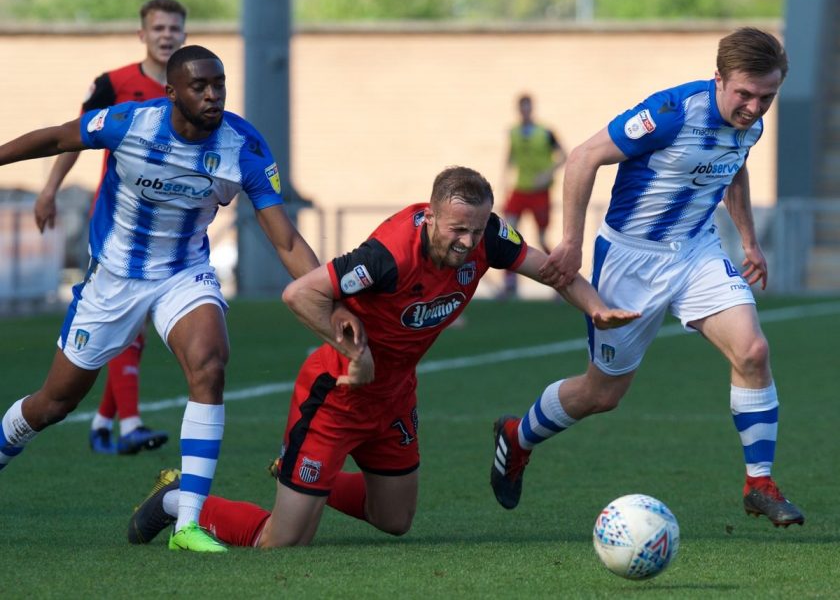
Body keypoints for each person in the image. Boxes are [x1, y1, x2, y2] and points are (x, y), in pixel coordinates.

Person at [124, 165, 640, 549]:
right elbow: (300, 294)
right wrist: (356, 351)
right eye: (456, 229)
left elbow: (549, 268)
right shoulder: (387, 255)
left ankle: (300, 476)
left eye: (476, 230)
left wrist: (596, 308)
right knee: (282, 545)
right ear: (431, 213)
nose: (467, 242)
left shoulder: (488, 239)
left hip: (393, 396)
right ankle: (177, 499)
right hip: (337, 394)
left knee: (393, 519)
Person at [0, 45, 320, 552]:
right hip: (113, 281)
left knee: (210, 364)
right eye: (200, 86)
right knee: (54, 403)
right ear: (172, 93)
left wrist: (327, 297)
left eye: (219, 85)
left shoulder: (244, 146)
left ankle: (187, 523)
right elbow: (59, 136)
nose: (213, 95)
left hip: (183, 273)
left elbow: (284, 240)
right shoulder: (131, 123)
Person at [489, 27, 805, 527]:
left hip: (697, 251)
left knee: (753, 351)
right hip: (631, 259)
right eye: (744, 94)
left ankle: (759, 484)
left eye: (767, 96)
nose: (753, 107)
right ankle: (517, 436)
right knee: (602, 395)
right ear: (718, 78)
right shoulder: (670, 112)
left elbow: (734, 169)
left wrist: (748, 240)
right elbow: (583, 158)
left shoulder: (752, 124)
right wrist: (570, 241)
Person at [35, 0, 189, 456]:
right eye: (158, 28)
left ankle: (104, 422)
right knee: (130, 317)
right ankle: (129, 425)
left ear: (184, 34)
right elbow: (73, 135)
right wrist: (49, 191)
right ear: (142, 34)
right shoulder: (114, 84)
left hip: (171, 227)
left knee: (132, 322)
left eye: (174, 28)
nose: (167, 35)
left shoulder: (192, 85)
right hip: (118, 225)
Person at [499, 93, 566, 299]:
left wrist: (546, 175)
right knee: (507, 233)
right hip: (520, 189)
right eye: (522, 108)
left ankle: (560, 279)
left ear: (532, 108)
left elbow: (563, 155)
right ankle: (510, 283)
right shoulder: (514, 132)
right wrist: (503, 186)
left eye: (528, 107)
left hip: (540, 192)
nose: (525, 111)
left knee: (543, 238)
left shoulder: (545, 132)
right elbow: (509, 159)